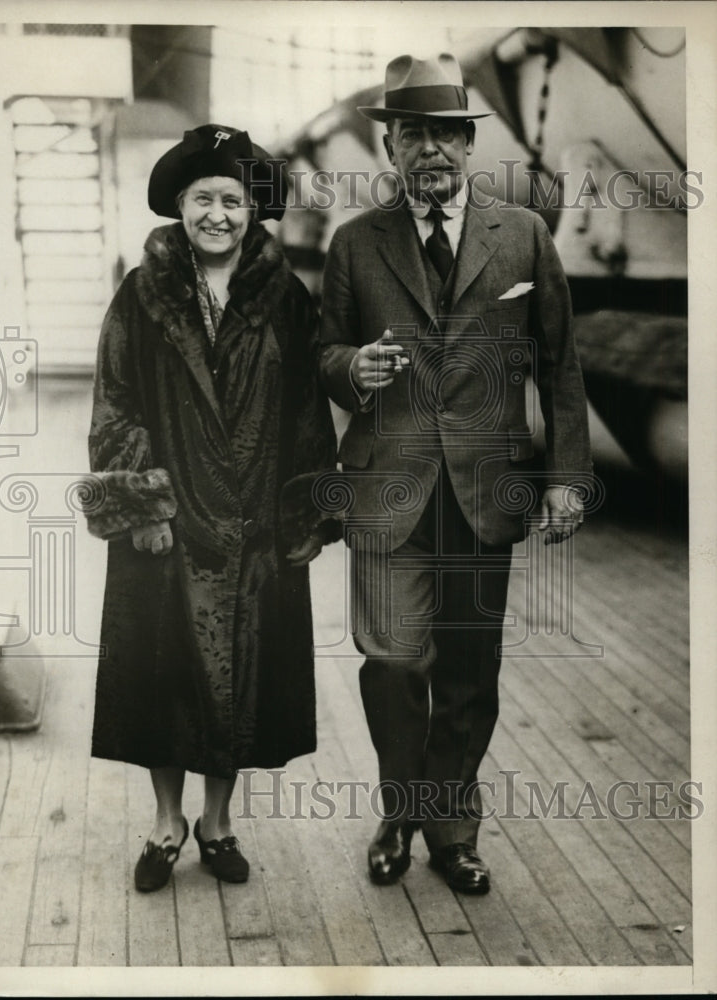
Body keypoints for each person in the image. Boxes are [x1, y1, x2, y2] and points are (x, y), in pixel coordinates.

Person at [319, 54, 592, 893]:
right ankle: (398, 811)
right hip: (387, 487)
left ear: (468, 144)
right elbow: (323, 351)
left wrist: (564, 477)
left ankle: (451, 827)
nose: (429, 151)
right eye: (412, 136)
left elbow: (560, 363)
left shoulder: (523, 235)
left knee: (470, 673)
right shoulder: (353, 243)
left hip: (485, 489)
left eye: (445, 134)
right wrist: (349, 368)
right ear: (391, 149)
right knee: (394, 662)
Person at [84, 124, 339, 892]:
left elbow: (304, 412)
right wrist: (144, 504)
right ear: (181, 207)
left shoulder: (286, 298)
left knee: (244, 677)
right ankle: (165, 823)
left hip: (253, 525)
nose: (218, 214)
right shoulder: (142, 293)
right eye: (203, 199)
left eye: (232, 199)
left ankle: (217, 822)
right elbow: (115, 403)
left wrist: (301, 514)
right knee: (161, 675)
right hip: (165, 523)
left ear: (253, 209)